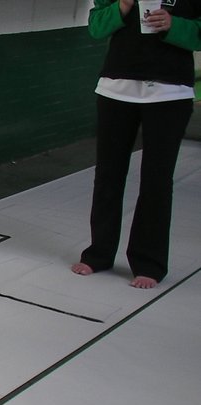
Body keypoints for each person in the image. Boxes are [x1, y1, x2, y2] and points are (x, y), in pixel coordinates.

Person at [71, 0, 199, 289]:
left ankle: (148, 262)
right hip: (116, 88)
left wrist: (174, 25)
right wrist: (124, 5)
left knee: (157, 180)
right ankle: (99, 254)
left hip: (170, 92)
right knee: (108, 175)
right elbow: (96, 27)